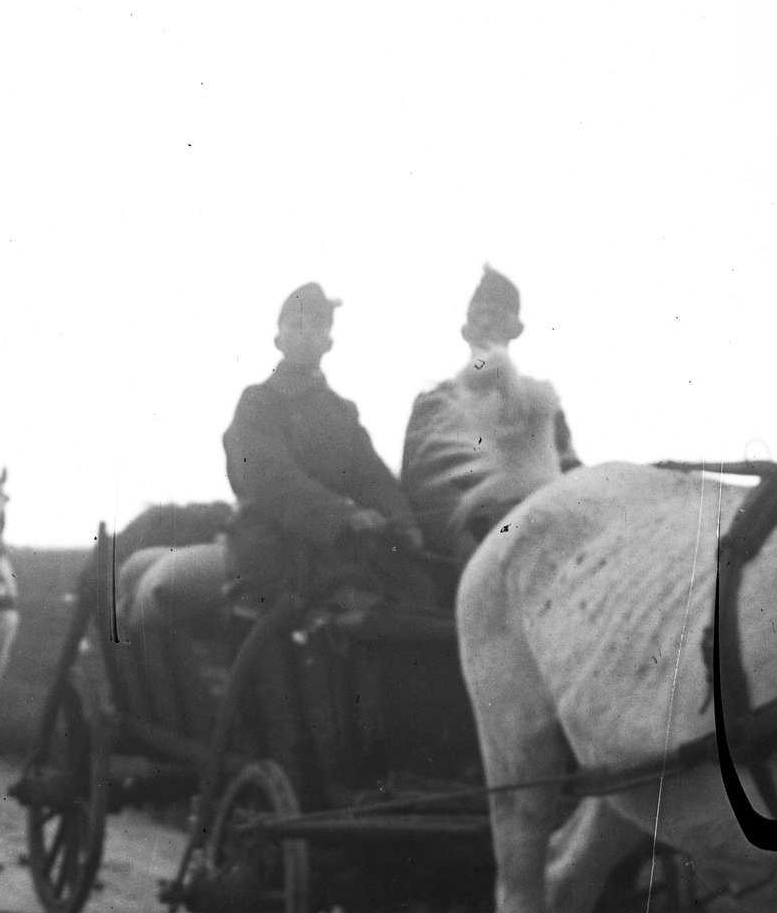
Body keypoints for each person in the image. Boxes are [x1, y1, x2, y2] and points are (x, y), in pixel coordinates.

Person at [129, 283, 434, 737]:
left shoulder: (341, 412)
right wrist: (343, 515)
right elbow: (268, 475)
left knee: (420, 597)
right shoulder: (258, 403)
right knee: (308, 619)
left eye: (316, 326)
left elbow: (372, 476)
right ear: (278, 338)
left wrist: (404, 523)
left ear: (329, 342)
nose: (306, 333)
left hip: (335, 548)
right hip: (270, 547)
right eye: (296, 325)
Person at [401, 265, 582, 566]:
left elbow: (568, 468)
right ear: (466, 329)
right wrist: (460, 541)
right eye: (478, 316)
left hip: (542, 527)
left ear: (515, 328)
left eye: (497, 316)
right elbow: (423, 483)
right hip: (469, 541)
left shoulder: (541, 403)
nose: (486, 324)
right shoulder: (433, 403)